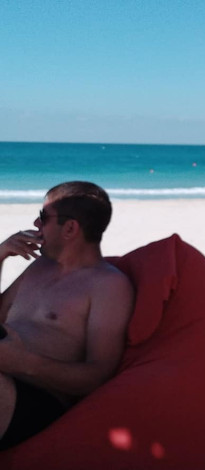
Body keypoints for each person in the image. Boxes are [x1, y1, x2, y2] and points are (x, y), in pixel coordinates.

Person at [0, 181, 134, 450]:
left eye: (43, 217)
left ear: (70, 228)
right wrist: (0, 255)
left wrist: (23, 363)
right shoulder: (39, 267)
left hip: (37, 398)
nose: (36, 224)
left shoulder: (108, 286)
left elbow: (98, 375)